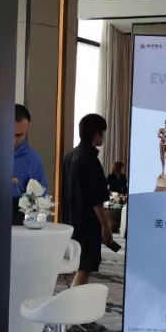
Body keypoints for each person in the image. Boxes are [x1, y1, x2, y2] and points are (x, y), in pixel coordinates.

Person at [61, 113, 114, 293]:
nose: (103, 137)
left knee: (80, 264)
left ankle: (71, 301)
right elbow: (95, 199)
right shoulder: (90, 159)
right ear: (96, 134)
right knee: (85, 267)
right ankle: (70, 304)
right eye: (102, 133)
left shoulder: (70, 156)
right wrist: (105, 225)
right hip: (87, 222)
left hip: (71, 218)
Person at [13, 104, 47, 198]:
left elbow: (40, 201)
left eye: (19, 135)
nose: (13, 141)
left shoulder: (33, 160)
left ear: (27, 128)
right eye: (9, 133)